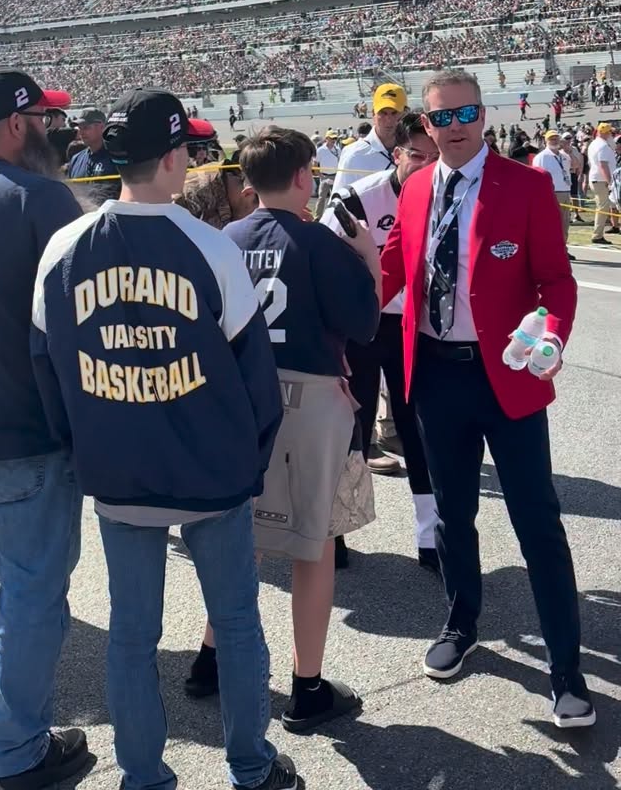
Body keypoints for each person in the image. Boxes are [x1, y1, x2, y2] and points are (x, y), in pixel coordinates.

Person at [30, 89, 297, 790]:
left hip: (119, 474)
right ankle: (251, 767)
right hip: (213, 476)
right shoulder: (208, 246)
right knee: (235, 623)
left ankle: (142, 776)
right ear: (175, 157)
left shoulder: (64, 248)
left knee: (131, 635)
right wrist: (249, 465)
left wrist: (85, 448)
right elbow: (256, 378)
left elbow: (45, 369)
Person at [381, 69, 594, 729]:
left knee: (538, 523)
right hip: (435, 376)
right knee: (452, 514)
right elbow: (390, 269)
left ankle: (566, 669)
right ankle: (461, 622)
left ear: (483, 114)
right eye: (441, 117)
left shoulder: (525, 185)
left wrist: (549, 337)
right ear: (425, 124)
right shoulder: (417, 187)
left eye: (465, 113)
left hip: (507, 374)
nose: (455, 127)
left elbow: (556, 283)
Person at [187, 126, 380, 734]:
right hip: (307, 397)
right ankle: (308, 684)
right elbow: (364, 322)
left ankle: (210, 659)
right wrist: (370, 258)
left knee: (240, 536)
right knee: (311, 544)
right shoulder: (318, 241)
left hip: (241, 397)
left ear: (247, 182)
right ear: (303, 176)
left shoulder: (225, 238)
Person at [0, 69, 88, 790]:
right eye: (43, 120)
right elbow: (76, 327)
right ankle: (18, 750)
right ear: (19, 123)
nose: (51, 131)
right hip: (25, 435)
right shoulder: (40, 198)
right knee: (29, 597)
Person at [322, 113, 439, 565]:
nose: (425, 165)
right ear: (397, 154)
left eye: (434, 157)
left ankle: (430, 537)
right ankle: (333, 532)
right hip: (363, 328)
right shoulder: (358, 198)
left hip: (416, 327)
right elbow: (323, 260)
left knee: (418, 430)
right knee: (351, 429)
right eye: (416, 156)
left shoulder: (445, 194)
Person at [332, 83, 407, 194]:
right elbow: (339, 199)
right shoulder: (354, 155)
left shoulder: (416, 151)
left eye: (394, 113)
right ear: (373, 114)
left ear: (405, 114)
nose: (389, 119)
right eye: (383, 113)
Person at [532, 131, 573, 257]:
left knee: (564, 224)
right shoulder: (542, 157)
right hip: (551, 193)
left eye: (556, 138)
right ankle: (549, 249)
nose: (554, 141)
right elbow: (536, 177)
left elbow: (576, 166)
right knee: (552, 224)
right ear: (546, 141)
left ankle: (562, 249)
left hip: (565, 191)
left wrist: (570, 151)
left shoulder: (564, 156)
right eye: (551, 139)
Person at [67, 109, 120, 201]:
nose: (81, 132)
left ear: (102, 127)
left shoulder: (117, 157)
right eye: (79, 128)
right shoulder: (76, 159)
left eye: (86, 127)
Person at [587, 122, 617, 245]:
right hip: (601, 180)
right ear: (604, 133)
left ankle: (598, 233)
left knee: (604, 206)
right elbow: (603, 165)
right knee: (602, 207)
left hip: (597, 179)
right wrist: (610, 182)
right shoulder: (603, 146)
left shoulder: (595, 144)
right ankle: (597, 235)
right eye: (609, 132)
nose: (611, 134)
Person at [314, 130, 340, 220]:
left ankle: (335, 217)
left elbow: (340, 162)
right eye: (332, 138)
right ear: (326, 139)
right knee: (321, 198)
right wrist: (322, 177)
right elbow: (315, 165)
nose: (334, 140)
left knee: (337, 198)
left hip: (335, 176)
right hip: (324, 176)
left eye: (335, 138)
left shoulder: (338, 149)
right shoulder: (320, 150)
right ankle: (317, 217)